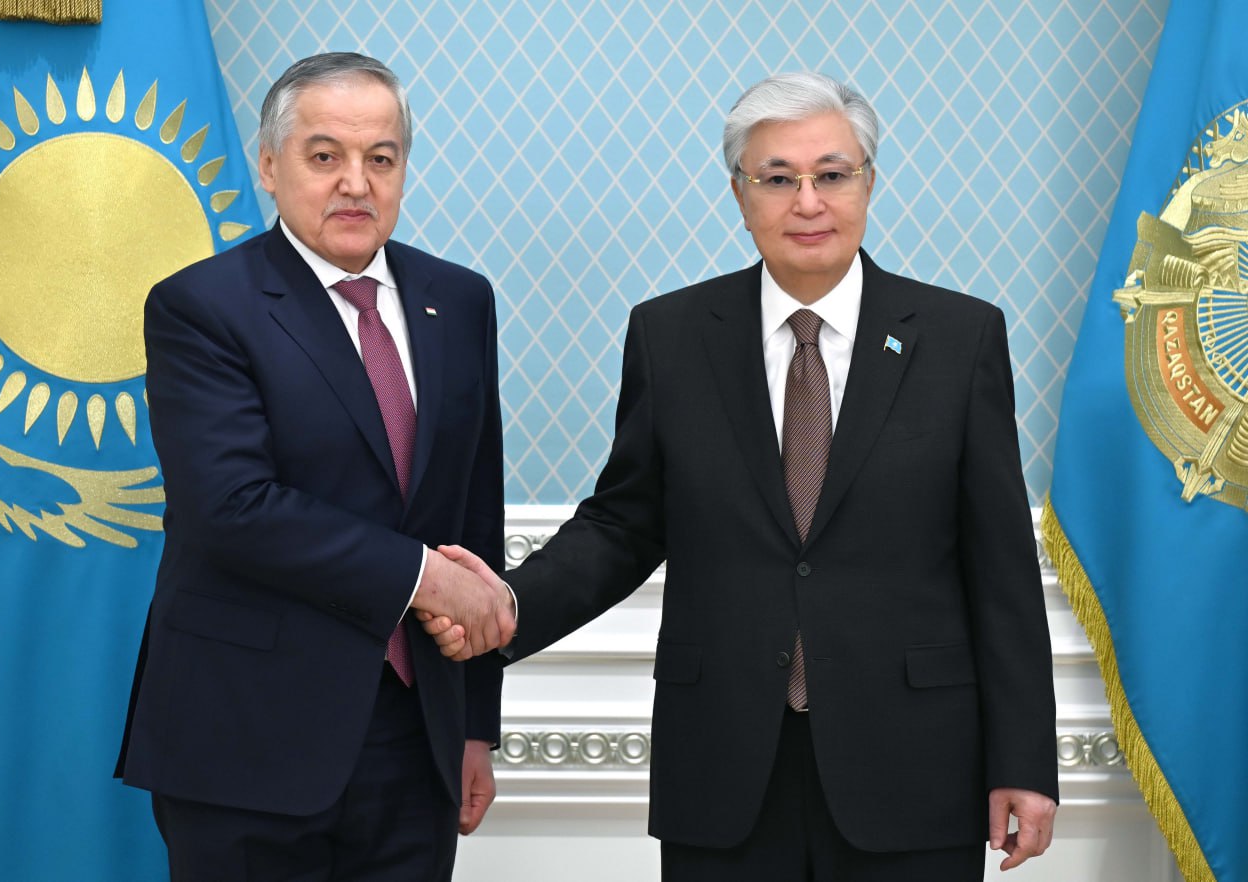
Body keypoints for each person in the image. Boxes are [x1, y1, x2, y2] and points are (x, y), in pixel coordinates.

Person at [424, 72, 1058, 881]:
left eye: (832, 175)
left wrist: (1024, 760)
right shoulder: (671, 335)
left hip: (912, 765)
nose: (808, 202)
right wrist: (509, 606)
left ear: (869, 182)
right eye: (778, 179)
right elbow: (624, 525)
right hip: (724, 766)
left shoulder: (959, 337)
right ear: (739, 193)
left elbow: (1000, 568)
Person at [116, 52, 515, 881]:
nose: (355, 184)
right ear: (270, 165)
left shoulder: (459, 300)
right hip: (245, 736)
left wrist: (476, 722)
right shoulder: (201, 306)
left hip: (416, 736)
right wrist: (424, 579)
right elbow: (231, 506)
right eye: (325, 155)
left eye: (381, 158)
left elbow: (473, 516)